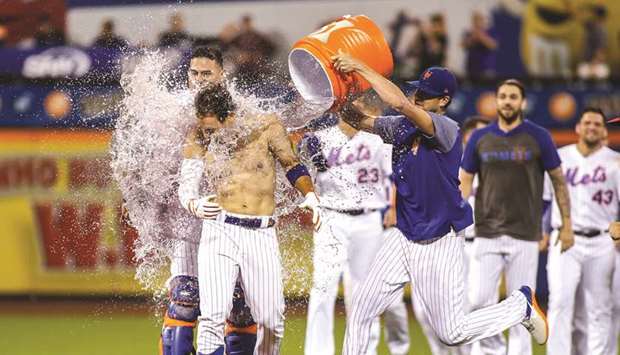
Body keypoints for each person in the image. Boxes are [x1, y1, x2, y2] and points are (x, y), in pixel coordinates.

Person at [330, 52, 548, 354]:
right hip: (403, 236)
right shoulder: (401, 128)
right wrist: (339, 93)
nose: (418, 96)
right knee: (360, 310)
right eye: (418, 89)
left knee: (452, 333)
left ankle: (518, 306)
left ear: (443, 101)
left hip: (438, 241)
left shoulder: (447, 130)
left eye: (426, 94)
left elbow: (400, 103)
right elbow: (359, 120)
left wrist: (360, 67)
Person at [180, 82, 321, 355]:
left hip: (260, 233)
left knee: (272, 321)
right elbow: (187, 184)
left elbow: (291, 163)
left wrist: (311, 195)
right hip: (219, 230)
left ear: (229, 116)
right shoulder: (199, 134)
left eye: (211, 127)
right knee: (212, 319)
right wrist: (193, 204)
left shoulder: (266, 127)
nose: (207, 133)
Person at [459, 79, 573, 355]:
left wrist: (566, 225)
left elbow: (558, 182)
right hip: (486, 232)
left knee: (523, 311)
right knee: (478, 303)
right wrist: (458, 220)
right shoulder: (480, 137)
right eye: (503, 96)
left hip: (525, 235)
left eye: (513, 96)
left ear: (521, 102)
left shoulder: (538, 136)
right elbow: (464, 182)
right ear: (497, 101)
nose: (507, 101)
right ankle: (489, 352)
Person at [158, 46, 257, 355]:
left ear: (221, 75)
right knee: (186, 298)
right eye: (194, 73)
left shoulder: (240, 109)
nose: (199, 79)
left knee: (240, 305)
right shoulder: (172, 109)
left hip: (232, 215)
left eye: (206, 73)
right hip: (186, 214)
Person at [299, 98, 409, 355]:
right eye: (350, 102)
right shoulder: (319, 138)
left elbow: (394, 176)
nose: (354, 106)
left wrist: (392, 207)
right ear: (338, 108)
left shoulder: (378, 140)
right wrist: (304, 151)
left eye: (359, 102)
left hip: (368, 219)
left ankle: (363, 351)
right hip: (331, 218)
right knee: (322, 287)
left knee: (363, 292)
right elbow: (299, 173)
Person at [411, 115, 490, 355]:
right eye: (476, 136)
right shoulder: (446, 162)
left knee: (467, 311)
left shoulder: (497, 169)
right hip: (441, 241)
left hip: (479, 245)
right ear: (465, 138)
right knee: (424, 311)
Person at [543, 107, 618, 355]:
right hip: (565, 238)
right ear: (578, 127)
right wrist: (543, 229)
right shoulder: (559, 157)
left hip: (603, 242)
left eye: (597, 124)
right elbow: (545, 199)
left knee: (600, 308)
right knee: (560, 303)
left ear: (604, 131)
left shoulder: (615, 162)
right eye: (587, 123)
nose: (592, 127)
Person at [462, 12, 497, 82]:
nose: (477, 23)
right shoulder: (469, 33)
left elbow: (493, 45)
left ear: (483, 21)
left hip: (486, 69)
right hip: (471, 70)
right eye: (475, 20)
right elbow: (463, 45)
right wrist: (472, 38)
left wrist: (481, 37)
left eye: (479, 20)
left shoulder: (490, 31)